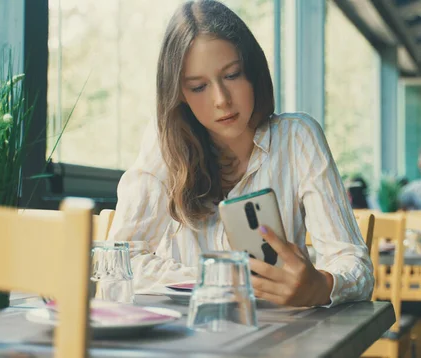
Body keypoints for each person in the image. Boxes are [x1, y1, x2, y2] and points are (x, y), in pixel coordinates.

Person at [108, 0, 373, 307]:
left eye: (232, 75)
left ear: (252, 72)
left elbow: (355, 266)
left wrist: (323, 285)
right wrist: (223, 280)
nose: (221, 100)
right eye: (198, 87)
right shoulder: (164, 143)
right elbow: (117, 265)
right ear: (179, 94)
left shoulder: (297, 138)